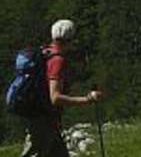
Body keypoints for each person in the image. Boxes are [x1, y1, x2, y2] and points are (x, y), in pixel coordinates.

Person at [22, 19, 103, 157]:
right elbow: (55, 97)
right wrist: (87, 99)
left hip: (44, 119)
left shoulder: (45, 53)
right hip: (44, 121)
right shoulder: (58, 61)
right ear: (70, 39)